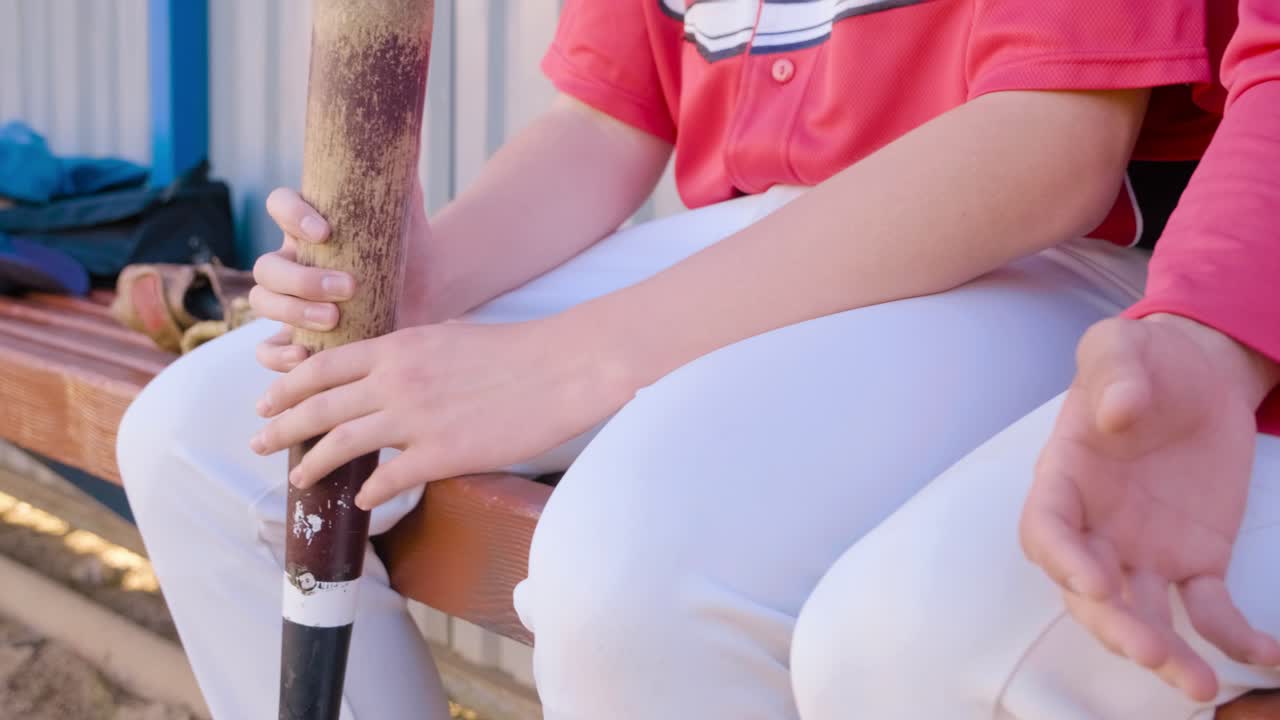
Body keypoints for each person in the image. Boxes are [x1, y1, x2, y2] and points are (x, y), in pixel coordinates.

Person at [114, 1, 1261, 718]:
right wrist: (436, 278)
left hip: (1020, 253)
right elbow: (610, 115)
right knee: (209, 433)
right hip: (750, 233)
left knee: (634, 568)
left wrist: (563, 365)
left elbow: (1049, 146)